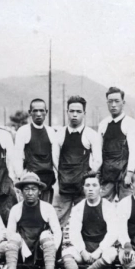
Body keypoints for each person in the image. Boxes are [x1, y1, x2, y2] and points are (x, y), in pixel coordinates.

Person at [0, 172, 62, 269]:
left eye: (33, 189)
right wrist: (20, 246)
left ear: (39, 191)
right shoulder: (15, 209)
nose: (30, 193)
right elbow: (10, 233)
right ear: (22, 192)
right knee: (14, 238)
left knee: (46, 234)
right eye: (26, 189)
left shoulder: (47, 208)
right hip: (23, 249)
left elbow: (57, 232)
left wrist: (53, 248)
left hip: (41, 249)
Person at [62, 173, 118, 269]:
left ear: (100, 188)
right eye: (87, 185)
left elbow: (113, 232)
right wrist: (83, 251)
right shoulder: (78, 208)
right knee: (67, 252)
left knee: (112, 253)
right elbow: (74, 233)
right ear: (83, 188)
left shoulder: (108, 207)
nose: (91, 189)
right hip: (85, 249)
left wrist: (99, 251)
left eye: (94, 185)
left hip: (101, 250)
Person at [52, 95, 101, 228]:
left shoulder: (91, 135)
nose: (75, 115)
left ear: (84, 113)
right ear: (67, 112)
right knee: (57, 221)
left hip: (83, 187)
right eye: (72, 111)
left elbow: (98, 160)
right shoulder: (59, 134)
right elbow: (55, 160)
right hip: (63, 186)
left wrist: (86, 177)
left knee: (87, 220)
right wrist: (65, 175)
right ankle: (57, 248)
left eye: (78, 112)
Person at [97, 86, 135, 202]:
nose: (113, 105)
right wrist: (98, 174)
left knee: (127, 207)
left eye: (117, 101)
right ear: (107, 103)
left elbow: (134, 151)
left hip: (124, 174)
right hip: (107, 174)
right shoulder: (103, 124)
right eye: (110, 102)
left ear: (123, 102)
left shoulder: (130, 123)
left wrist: (129, 174)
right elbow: (98, 152)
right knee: (102, 206)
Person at [14, 98, 59, 202]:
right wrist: (21, 178)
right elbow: (17, 157)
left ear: (46, 112)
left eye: (41, 110)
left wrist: (58, 177)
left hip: (48, 180)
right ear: (30, 112)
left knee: (46, 211)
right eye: (35, 111)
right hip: (31, 180)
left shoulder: (51, 132)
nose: (39, 114)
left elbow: (56, 158)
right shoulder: (23, 131)